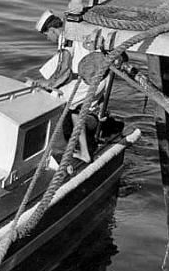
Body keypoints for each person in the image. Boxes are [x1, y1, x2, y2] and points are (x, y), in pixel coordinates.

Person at [32, 12, 111, 161]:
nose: (48, 39)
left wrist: (46, 85)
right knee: (75, 110)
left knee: (55, 101)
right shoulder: (75, 30)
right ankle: (85, 147)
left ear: (52, 30)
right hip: (99, 78)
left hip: (87, 81)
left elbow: (64, 70)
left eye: (47, 35)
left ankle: (60, 147)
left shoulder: (65, 37)